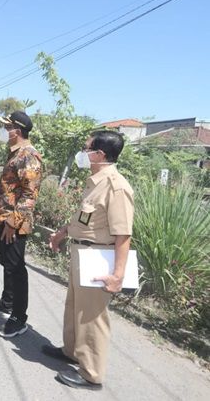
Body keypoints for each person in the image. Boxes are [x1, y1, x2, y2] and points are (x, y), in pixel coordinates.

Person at [44, 130, 134, 390]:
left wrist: (118, 275)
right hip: (81, 252)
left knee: (92, 316)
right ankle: (72, 352)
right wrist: (60, 234)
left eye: (86, 149)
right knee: (75, 307)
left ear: (100, 154)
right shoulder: (95, 182)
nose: (83, 154)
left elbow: (123, 235)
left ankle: (92, 374)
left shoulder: (116, 187)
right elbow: (82, 219)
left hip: (98, 257)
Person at [0, 111, 42, 338]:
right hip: (3, 219)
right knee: (7, 263)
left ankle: (18, 318)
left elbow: (29, 195)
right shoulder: (15, 153)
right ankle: (6, 304)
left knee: (16, 269)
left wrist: (12, 222)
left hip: (14, 223)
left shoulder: (28, 156)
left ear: (16, 131)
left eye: (7, 128)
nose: (5, 132)